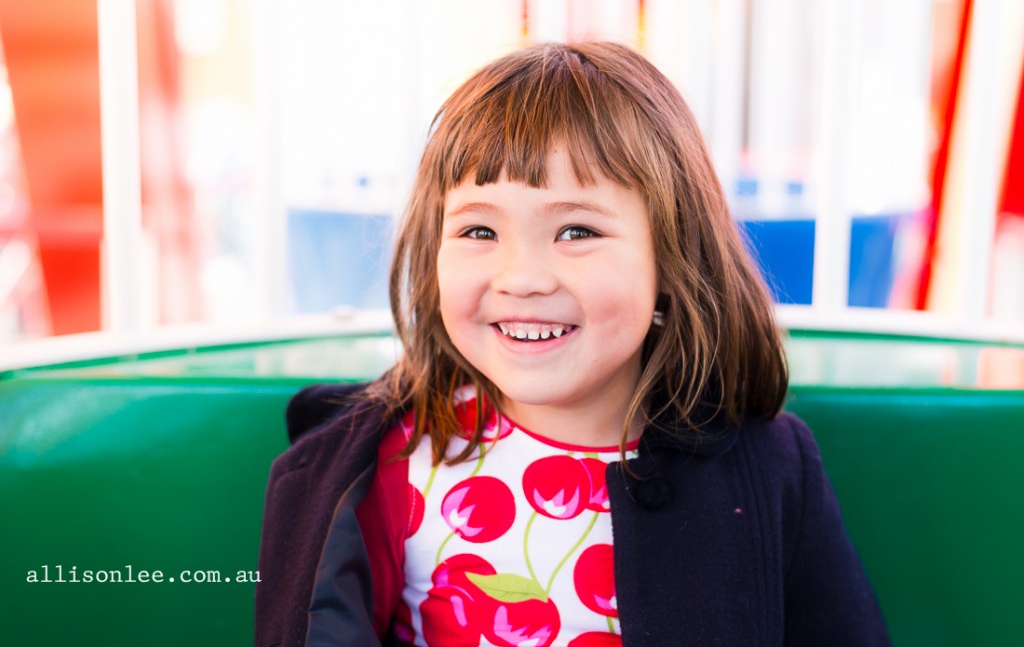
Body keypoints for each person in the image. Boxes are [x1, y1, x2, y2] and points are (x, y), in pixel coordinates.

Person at [255, 42, 890, 647]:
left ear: (671, 257)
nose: (523, 277)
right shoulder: (388, 463)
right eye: (479, 229)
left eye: (577, 229)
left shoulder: (771, 467)